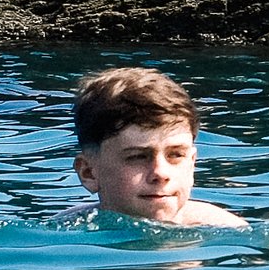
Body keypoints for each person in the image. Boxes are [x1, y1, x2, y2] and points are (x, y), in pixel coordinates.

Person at [70, 66, 247, 228]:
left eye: (176, 155)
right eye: (138, 157)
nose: (161, 174)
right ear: (89, 173)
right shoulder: (70, 229)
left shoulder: (227, 229)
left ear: (192, 163)